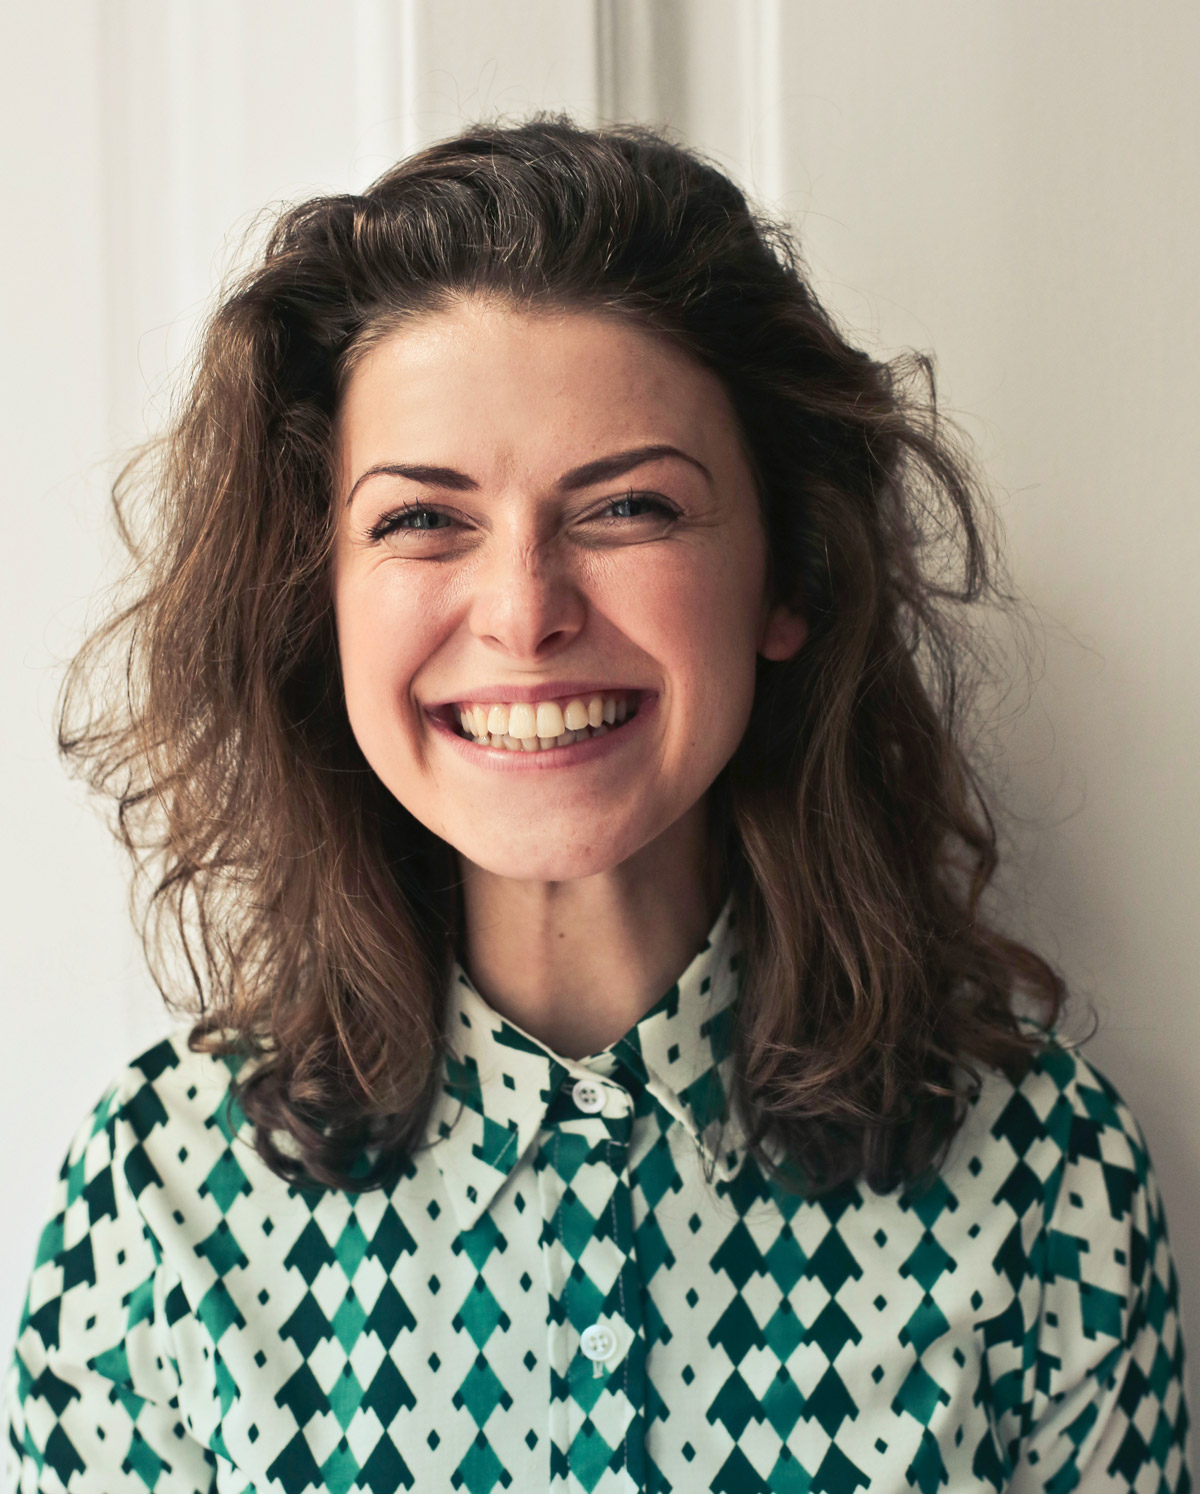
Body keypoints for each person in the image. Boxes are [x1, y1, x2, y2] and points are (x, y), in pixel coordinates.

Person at [3, 115, 1189, 1494]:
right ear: (314, 602)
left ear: (790, 574)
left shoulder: (1046, 1185)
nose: (525, 611)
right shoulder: (154, 1199)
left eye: (626, 507)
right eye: (419, 519)